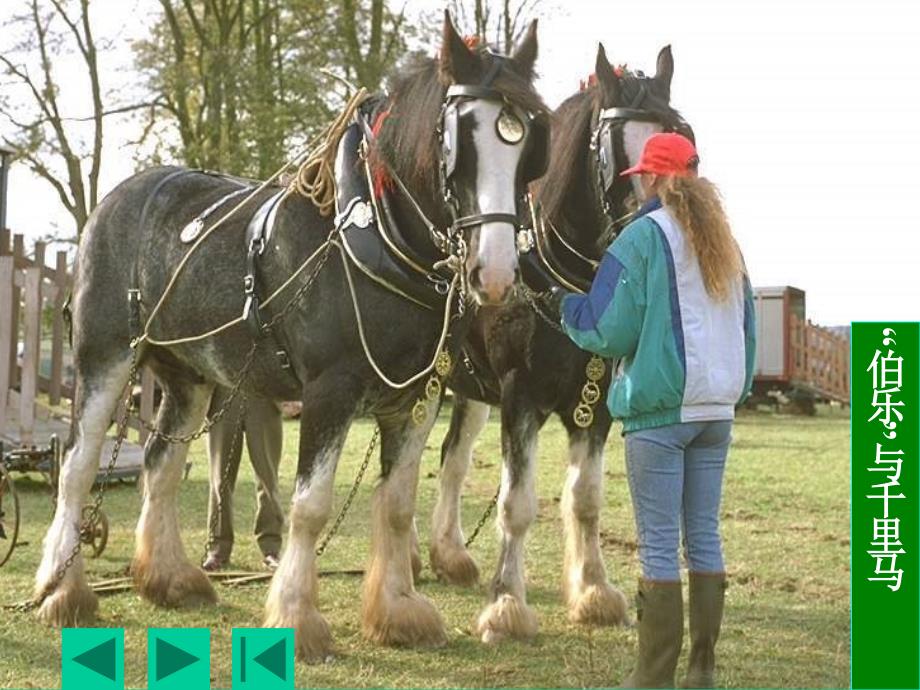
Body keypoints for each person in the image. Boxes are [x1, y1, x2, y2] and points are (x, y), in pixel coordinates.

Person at [546, 132, 755, 688]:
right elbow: (748, 329)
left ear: (657, 178)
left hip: (661, 414)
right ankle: (702, 670)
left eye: (641, 175)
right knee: (703, 536)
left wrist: (561, 304)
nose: (635, 184)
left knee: (660, 545)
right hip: (717, 410)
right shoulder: (726, 241)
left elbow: (605, 328)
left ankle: (652, 678)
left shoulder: (640, 237)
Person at [201, 387, 285, 572]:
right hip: (223, 394)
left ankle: (271, 549)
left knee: (268, 480)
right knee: (219, 481)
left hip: (264, 394)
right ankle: (217, 550)